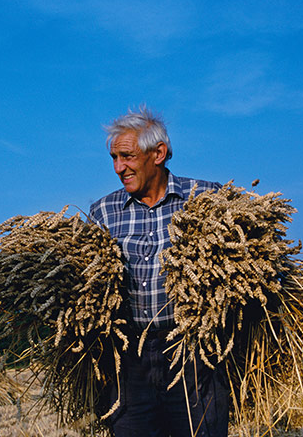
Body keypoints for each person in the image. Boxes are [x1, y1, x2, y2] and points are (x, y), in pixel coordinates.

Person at [89, 106, 229, 437]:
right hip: (129, 362)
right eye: (113, 158)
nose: (118, 167)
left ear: (159, 154)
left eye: (126, 156)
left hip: (194, 355)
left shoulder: (205, 199)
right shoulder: (103, 212)